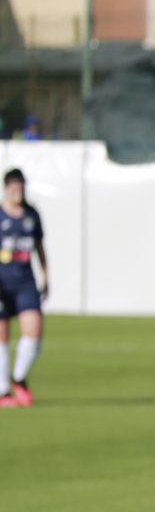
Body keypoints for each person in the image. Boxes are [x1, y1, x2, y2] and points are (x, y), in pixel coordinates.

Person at [0, 169, 49, 409]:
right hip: (1, 282)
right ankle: (2, 391)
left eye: (20, 186)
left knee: (34, 330)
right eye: (13, 186)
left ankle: (18, 378)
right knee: (2, 336)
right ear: (6, 188)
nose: (17, 191)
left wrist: (46, 276)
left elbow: (39, 247)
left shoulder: (32, 215)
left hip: (25, 282)